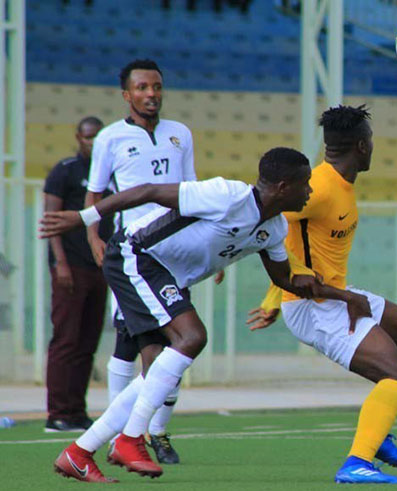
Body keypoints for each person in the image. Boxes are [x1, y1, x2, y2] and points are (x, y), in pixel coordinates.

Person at [45, 147, 356, 483]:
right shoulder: (227, 196)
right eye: (305, 184)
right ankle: (130, 439)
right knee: (193, 337)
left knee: (155, 372)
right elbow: (147, 191)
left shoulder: (275, 228)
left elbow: (283, 279)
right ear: (282, 187)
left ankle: (79, 453)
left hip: (166, 275)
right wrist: (84, 218)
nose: (310, 191)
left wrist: (331, 291)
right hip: (135, 254)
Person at [247, 105, 397, 485]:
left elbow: (289, 247)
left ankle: (378, 432)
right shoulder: (317, 188)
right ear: (363, 147)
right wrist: (228, 263)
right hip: (315, 307)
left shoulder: (337, 183)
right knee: (396, 373)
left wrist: (271, 300)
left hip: (336, 296)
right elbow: (261, 221)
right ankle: (357, 462)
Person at [85, 58, 210, 464]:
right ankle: (118, 433)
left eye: (156, 86)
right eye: (141, 88)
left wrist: (207, 245)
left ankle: (157, 432)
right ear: (127, 94)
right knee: (133, 345)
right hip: (133, 255)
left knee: (177, 344)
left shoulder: (180, 134)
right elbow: (95, 195)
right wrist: (93, 237)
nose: (150, 94)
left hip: (174, 251)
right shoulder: (109, 138)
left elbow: (190, 192)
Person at [43, 116, 113, 433]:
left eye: (99, 137)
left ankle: (76, 411)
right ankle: (57, 412)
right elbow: (51, 220)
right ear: (78, 137)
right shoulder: (65, 170)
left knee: (87, 341)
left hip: (100, 266)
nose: (93, 142)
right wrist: (60, 264)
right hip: (71, 267)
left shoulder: (110, 173)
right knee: (66, 340)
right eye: (88, 137)